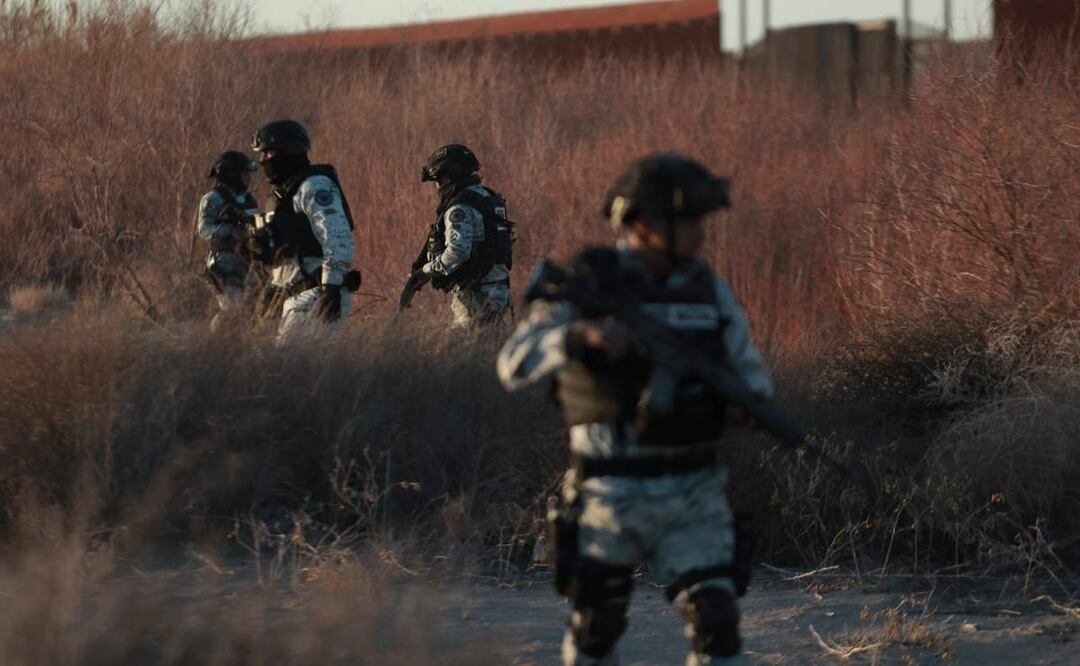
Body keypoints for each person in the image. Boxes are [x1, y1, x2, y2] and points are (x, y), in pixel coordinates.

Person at [496, 154, 773, 665]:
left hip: (693, 492)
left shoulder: (708, 289)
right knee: (596, 628)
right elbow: (513, 363)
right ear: (646, 223)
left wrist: (751, 403)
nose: (699, 233)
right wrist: (580, 336)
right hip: (609, 492)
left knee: (717, 624)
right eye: (689, 220)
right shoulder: (592, 283)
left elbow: (749, 370)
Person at [249, 120, 358, 343]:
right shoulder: (282, 196)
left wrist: (331, 287)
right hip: (294, 297)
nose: (262, 160)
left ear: (288, 150)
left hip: (316, 294)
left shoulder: (314, 186)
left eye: (268, 153)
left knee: (294, 370)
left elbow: (337, 237)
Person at [403, 144, 513, 327]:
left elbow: (458, 252)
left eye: (437, 180)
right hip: (497, 290)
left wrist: (426, 271)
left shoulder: (460, 207)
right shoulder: (487, 198)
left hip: (476, 297)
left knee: (461, 351)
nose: (437, 186)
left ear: (446, 177)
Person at [196, 150, 259, 331]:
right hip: (223, 263)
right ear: (231, 174)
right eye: (244, 173)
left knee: (254, 309)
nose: (248, 178)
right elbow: (203, 229)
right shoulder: (213, 198)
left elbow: (255, 225)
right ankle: (218, 344)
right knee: (233, 309)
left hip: (248, 262)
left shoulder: (248, 200)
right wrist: (230, 231)